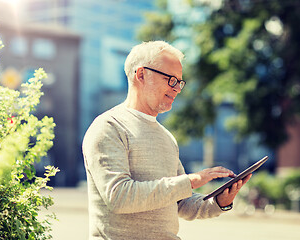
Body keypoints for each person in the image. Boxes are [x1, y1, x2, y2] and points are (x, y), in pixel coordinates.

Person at [82, 41, 251, 240]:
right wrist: (190, 180)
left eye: (179, 82)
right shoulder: (108, 127)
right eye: (171, 80)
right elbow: (119, 197)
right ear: (141, 74)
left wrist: (219, 202)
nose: (177, 89)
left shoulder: (166, 137)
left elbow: (180, 202)